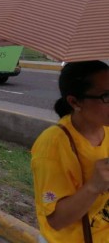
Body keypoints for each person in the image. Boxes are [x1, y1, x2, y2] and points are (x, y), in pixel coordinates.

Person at [31, 61, 109, 242]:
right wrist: (93, 186)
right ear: (75, 102)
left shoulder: (105, 128)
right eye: (106, 96)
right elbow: (56, 220)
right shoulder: (52, 145)